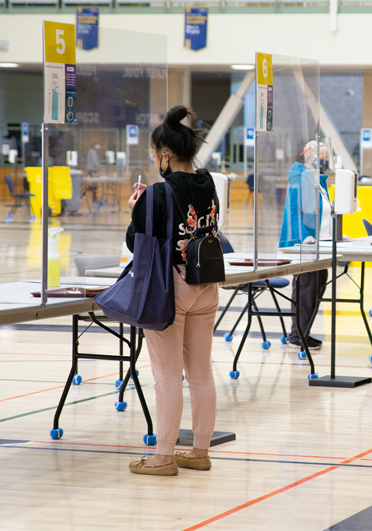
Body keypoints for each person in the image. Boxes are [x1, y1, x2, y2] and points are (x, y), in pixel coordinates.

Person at [125, 106, 220, 476]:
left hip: (171, 289)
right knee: (201, 373)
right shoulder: (208, 182)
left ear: (165, 155)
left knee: (166, 376)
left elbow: (137, 244)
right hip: (206, 283)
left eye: (154, 155)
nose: (154, 161)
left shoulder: (157, 194)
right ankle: (199, 450)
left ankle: (163, 456)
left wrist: (135, 210)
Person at [279, 141, 331, 351]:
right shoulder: (300, 178)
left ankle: (304, 331)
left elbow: (325, 212)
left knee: (318, 286)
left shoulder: (320, 180)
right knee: (306, 289)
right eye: (322, 158)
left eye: (327, 158)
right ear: (309, 156)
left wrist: (334, 233)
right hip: (307, 244)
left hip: (322, 244)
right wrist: (303, 237)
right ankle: (296, 335)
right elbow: (294, 211)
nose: (325, 162)